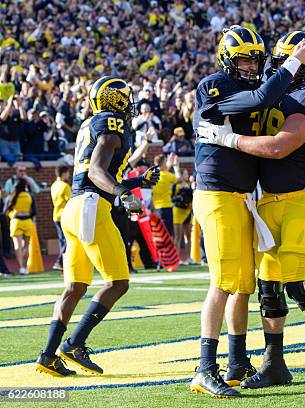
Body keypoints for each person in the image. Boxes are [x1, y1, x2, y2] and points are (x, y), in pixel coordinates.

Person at [198, 30, 305, 389]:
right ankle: (272, 364)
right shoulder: (235, 88)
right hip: (259, 199)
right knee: (265, 287)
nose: (259, 67)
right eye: (277, 63)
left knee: (295, 284)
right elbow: (258, 99)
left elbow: (280, 147)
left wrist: (229, 139)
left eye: (260, 60)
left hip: (300, 196)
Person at [35, 75, 159, 377]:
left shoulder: (90, 124)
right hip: (92, 207)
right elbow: (97, 170)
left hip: (74, 210)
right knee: (118, 282)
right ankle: (75, 344)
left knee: (75, 287)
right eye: (126, 98)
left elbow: (98, 172)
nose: (129, 104)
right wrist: (123, 193)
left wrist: (135, 181)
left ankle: (48, 354)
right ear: (115, 100)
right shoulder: (113, 123)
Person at [5, 179, 35, 275]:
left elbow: (5, 210)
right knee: (26, 246)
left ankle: (21, 267)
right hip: (27, 221)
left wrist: (11, 215)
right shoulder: (29, 196)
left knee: (18, 246)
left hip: (16, 221)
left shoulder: (12, 196)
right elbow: (33, 211)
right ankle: (25, 267)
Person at [151, 153, 180, 236]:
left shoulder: (152, 175)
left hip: (155, 209)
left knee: (159, 234)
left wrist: (168, 164)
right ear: (163, 164)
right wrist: (176, 166)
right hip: (166, 208)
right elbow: (179, 179)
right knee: (168, 235)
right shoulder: (167, 175)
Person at [50, 165, 72, 271]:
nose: (69, 175)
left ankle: (63, 262)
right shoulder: (65, 186)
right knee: (68, 240)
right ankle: (59, 261)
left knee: (62, 240)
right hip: (65, 215)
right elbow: (70, 201)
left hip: (56, 215)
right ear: (63, 173)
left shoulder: (54, 185)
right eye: (68, 173)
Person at [172, 168, 193, 264]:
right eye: (184, 174)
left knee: (188, 236)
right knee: (177, 237)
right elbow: (173, 198)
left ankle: (188, 258)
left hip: (187, 211)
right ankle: (176, 258)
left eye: (187, 174)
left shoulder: (188, 185)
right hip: (178, 212)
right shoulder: (175, 185)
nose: (186, 175)